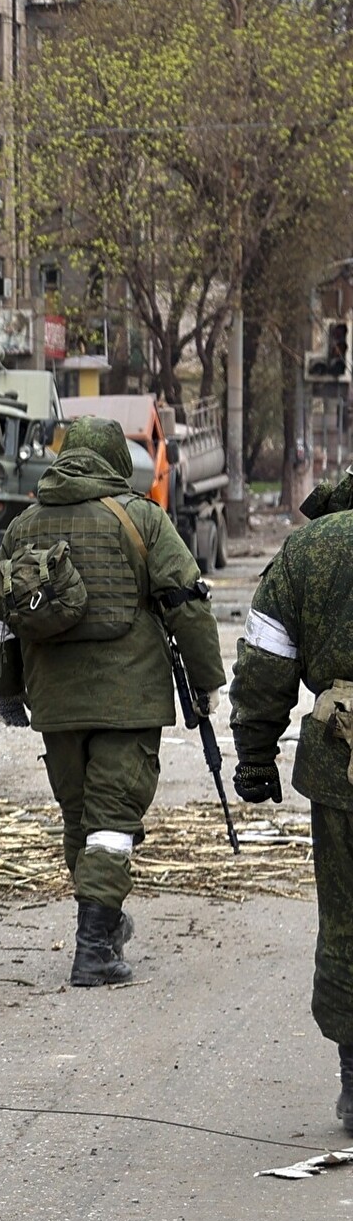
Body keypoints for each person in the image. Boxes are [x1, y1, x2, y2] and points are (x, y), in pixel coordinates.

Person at [0, 415, 223, 987]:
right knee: (112, 822)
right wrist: (207, 682)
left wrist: (7, 691)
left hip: (55, 703)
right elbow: (187, 603)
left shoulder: (24, 527)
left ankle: (103, 924)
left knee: (80, 817)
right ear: (117, 461)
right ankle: (94, 952)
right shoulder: (142, 518)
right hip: (129, 700)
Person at [228, 465, 353, 1130]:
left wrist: (255, 755)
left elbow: (266, 660)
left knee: (346, 916)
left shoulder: (309, 550)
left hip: (342, 762)